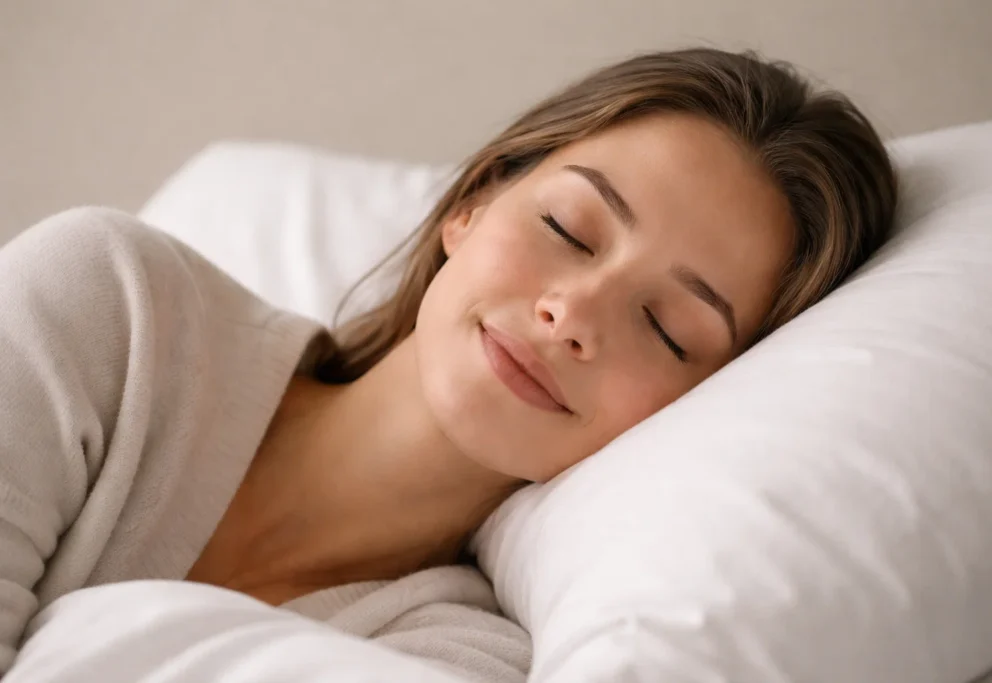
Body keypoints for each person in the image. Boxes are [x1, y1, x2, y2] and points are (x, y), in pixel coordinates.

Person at [0, 48, 897, 676]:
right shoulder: (111, 302)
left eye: (667, 328)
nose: (571, 313)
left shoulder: (458, 660)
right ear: (472, 201)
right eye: (568, 228)